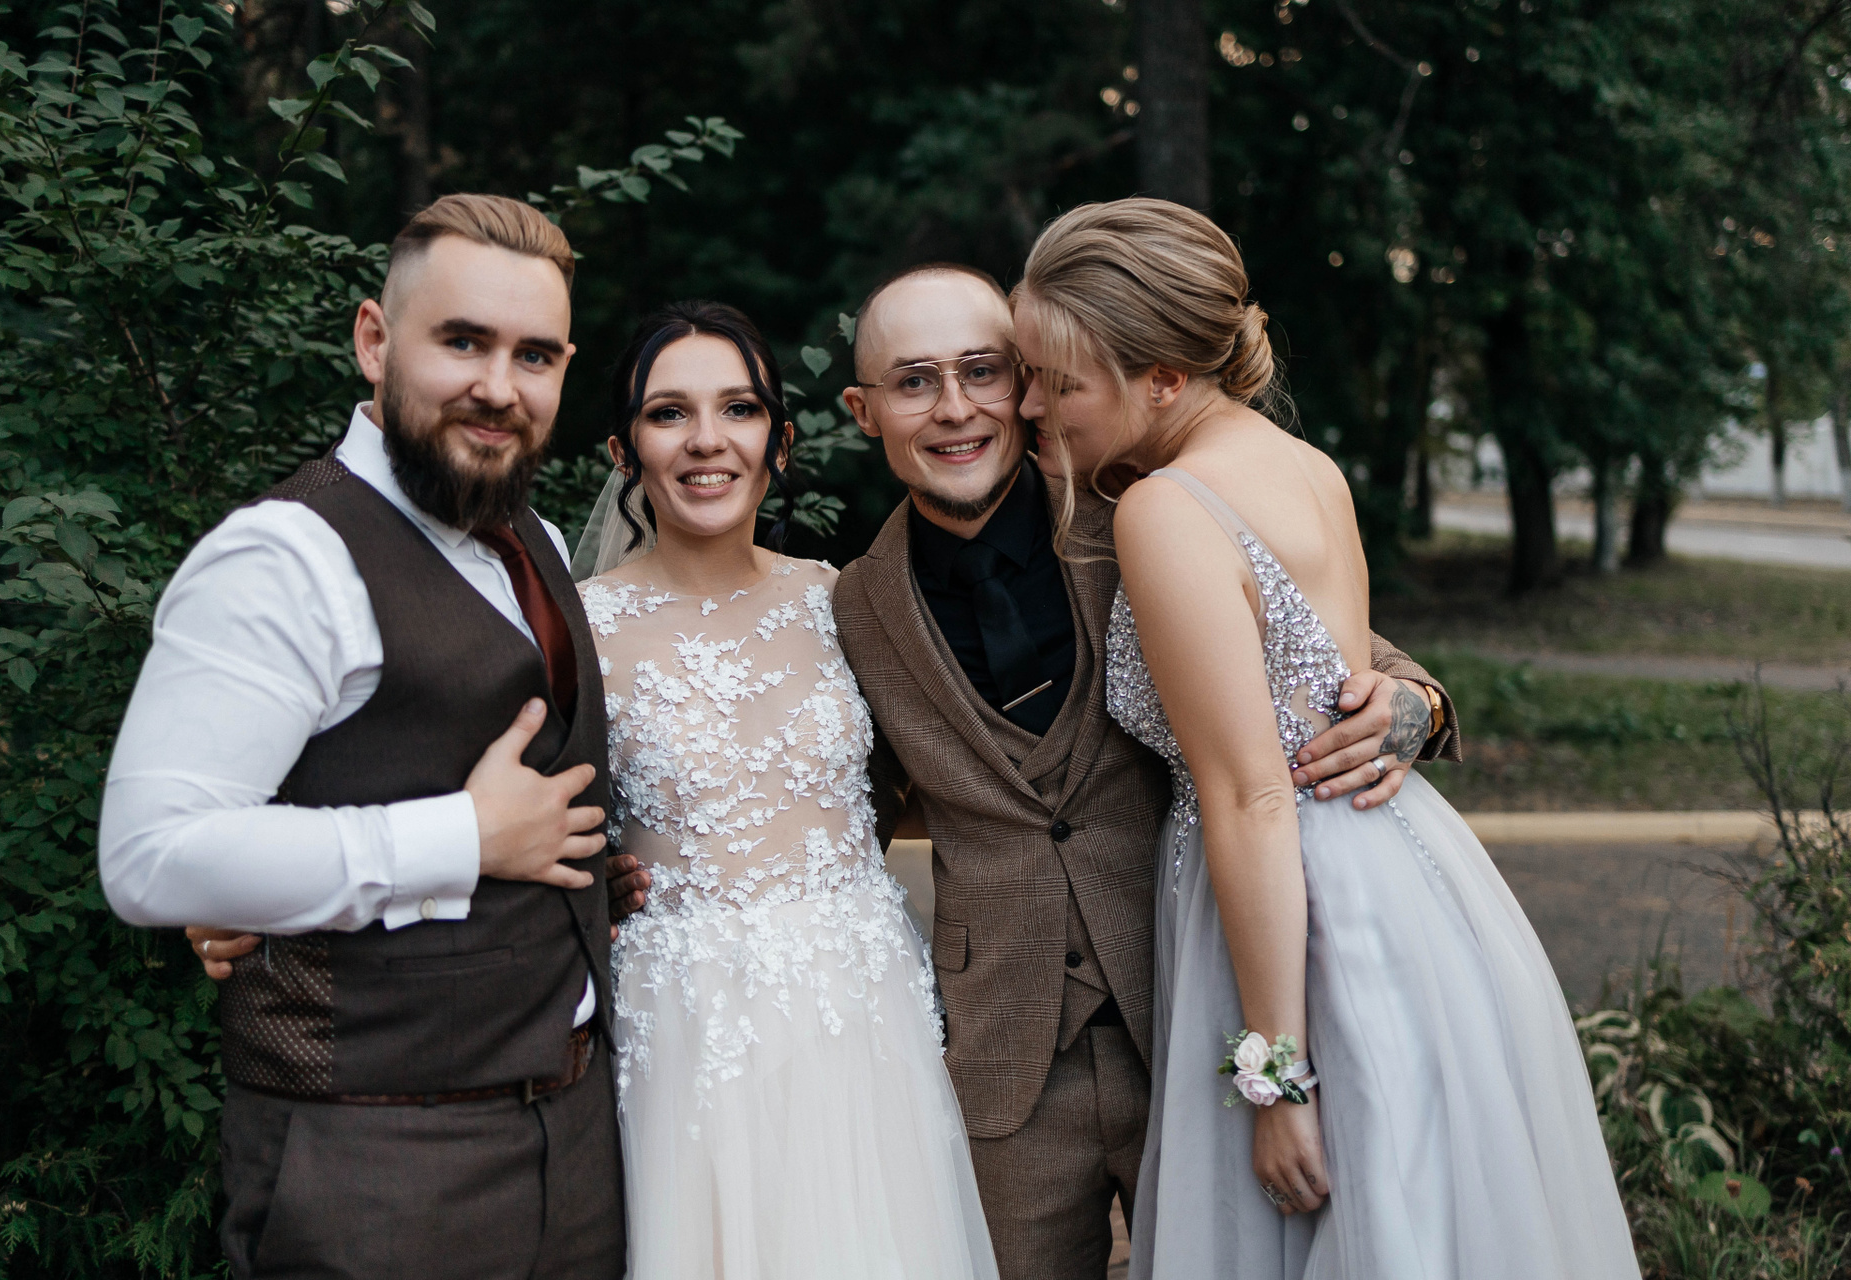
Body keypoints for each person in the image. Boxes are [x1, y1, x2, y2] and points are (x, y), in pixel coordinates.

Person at [1013, 197, 1640, 1279]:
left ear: (1162, 377)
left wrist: (1275, 1080)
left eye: (1059, 382)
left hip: (1291, 920)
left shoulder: (1164, 509)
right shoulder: (1307, 465)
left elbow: (1250, 797)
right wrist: (1418, 706)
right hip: (1403, 876)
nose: (1030, 405)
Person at [829, 262, 1461, 1280]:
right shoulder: (852, 608)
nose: (955, 408)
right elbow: (834, 798)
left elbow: (1328, 644)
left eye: (984, 370)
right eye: (913, 381)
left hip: (1191, 1003)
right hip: (1003, 1058)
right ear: (864, 411)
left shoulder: (1137, 508)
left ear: (1027, 381)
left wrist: (1415, 706)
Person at [100, 194, 626, 1280]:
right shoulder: (285, 558)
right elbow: (152, 855)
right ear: (375, 341)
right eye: (463, 341)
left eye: (534, 355)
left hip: (576, 1145)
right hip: (376, 1166)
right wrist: (463, 838)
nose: (499, 386)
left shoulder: (529, 535)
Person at [572, 300, 998, 1279]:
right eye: (669, 412)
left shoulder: (841, 599)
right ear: (624, 449)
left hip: (859, 1012)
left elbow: (936, 774)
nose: (706, 439)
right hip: (684, 1027)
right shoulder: (581, 630)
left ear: (781, 440)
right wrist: (596, 881)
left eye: (739, 408)